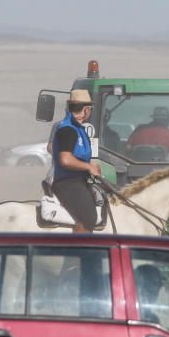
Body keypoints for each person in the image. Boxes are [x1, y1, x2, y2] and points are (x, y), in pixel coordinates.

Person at [51, 89, 101, 233]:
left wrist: (91, 168)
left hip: (79, 181)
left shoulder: (77, 129)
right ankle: (80, 252)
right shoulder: (68, 130)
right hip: (68, 182)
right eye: (89, 109)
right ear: (86, 110)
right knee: (89, 217)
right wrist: (88, 167)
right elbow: (65, 160)